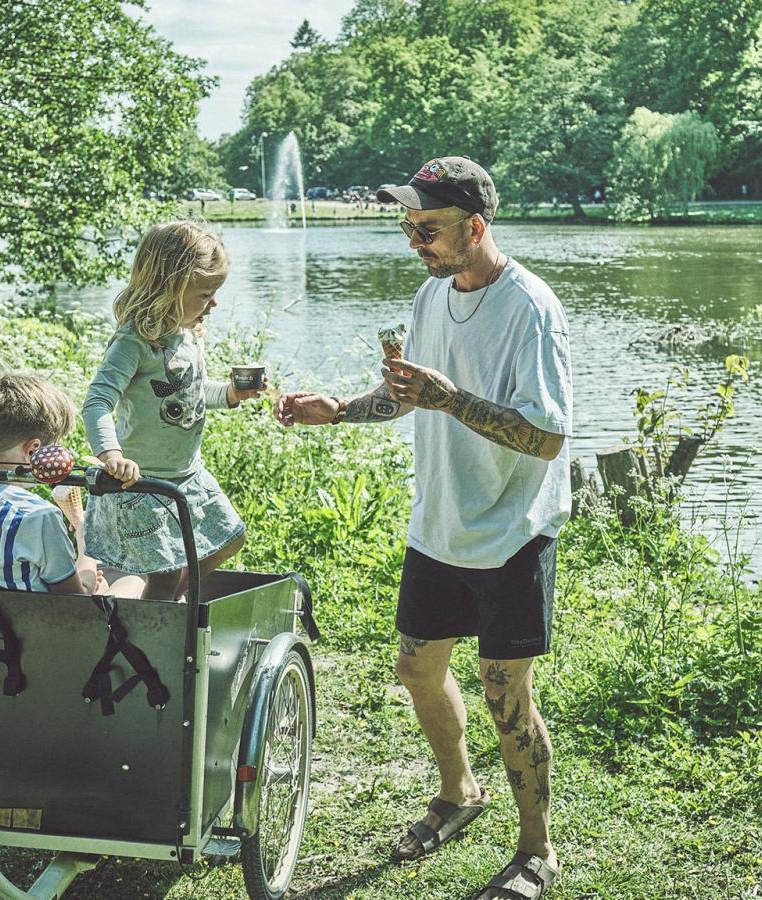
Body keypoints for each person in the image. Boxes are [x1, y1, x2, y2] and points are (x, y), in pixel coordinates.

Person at [275, 157, 572, 900]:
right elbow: (411, 393)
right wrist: (342, 409)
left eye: (429, 229)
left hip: (511, 528)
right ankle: (459, 790)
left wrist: (450, 398)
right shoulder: (432, 295)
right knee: (416, 669)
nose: (416, 243)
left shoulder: (531, 308)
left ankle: (536, 849)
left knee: (507, 693)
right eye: (409, 228)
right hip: (440, 523)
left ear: (475, 228)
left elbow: (548, 437)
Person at [82, 221, 267, 600]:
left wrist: (230, 394)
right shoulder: (134, 342)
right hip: (144, 482)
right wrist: (111, 454)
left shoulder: (186, 334)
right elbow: (98, 401)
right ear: (167, 288)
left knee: (230, 539)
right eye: (204, 294)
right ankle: (152, 642)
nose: (213, 304)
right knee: (163, 578)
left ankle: (170, 608)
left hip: (189, 475)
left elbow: (192, 392)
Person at [0, 373, 104, 594]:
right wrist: (86, 544)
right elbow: (74, 603)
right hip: (32, 627)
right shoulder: (39, 515)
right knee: (131, 582)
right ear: (33, 451)